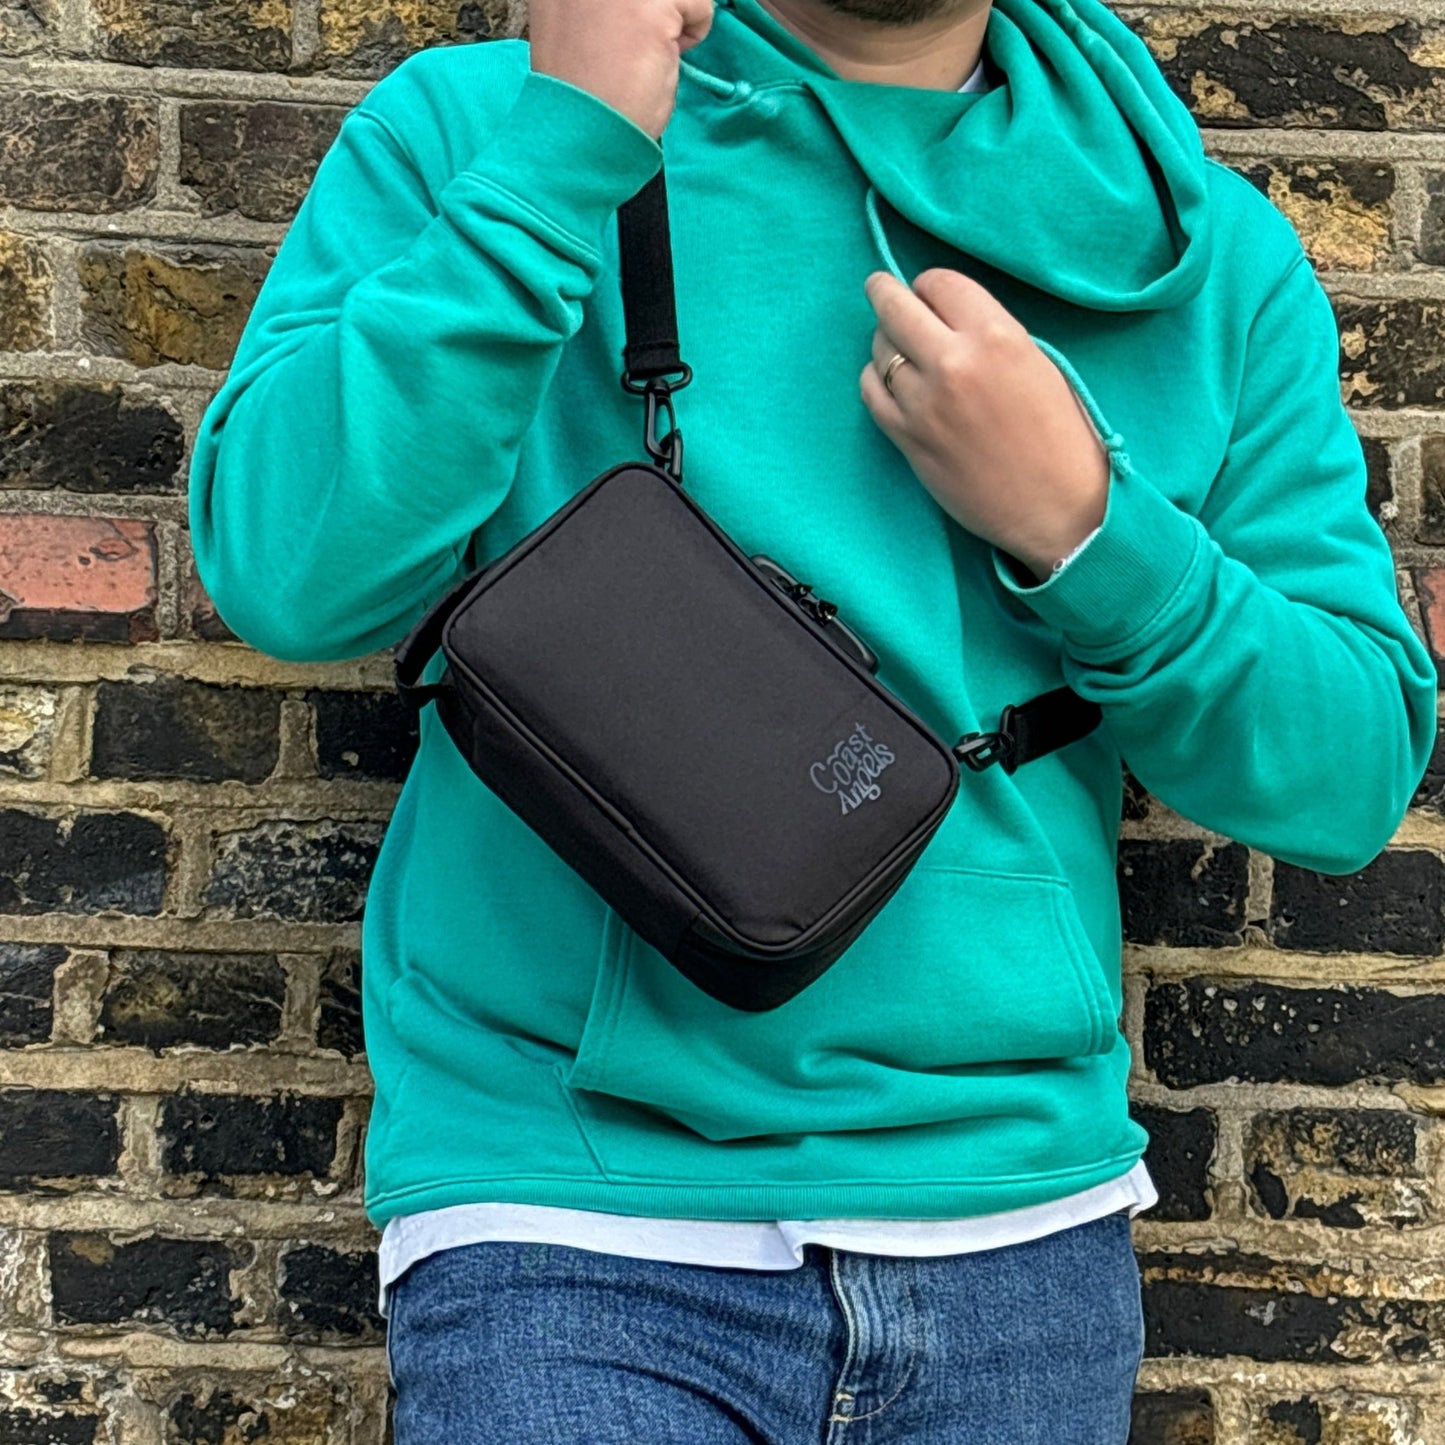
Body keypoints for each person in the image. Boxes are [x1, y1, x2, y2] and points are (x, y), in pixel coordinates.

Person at [187, 0, 1439, 1437]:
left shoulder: (1198, 251)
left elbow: (1346, 772)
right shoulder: (482, 124)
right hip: (565, 1209)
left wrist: (1088, 530)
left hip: (1013, 1232)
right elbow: (287, 572)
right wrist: (564, 152)